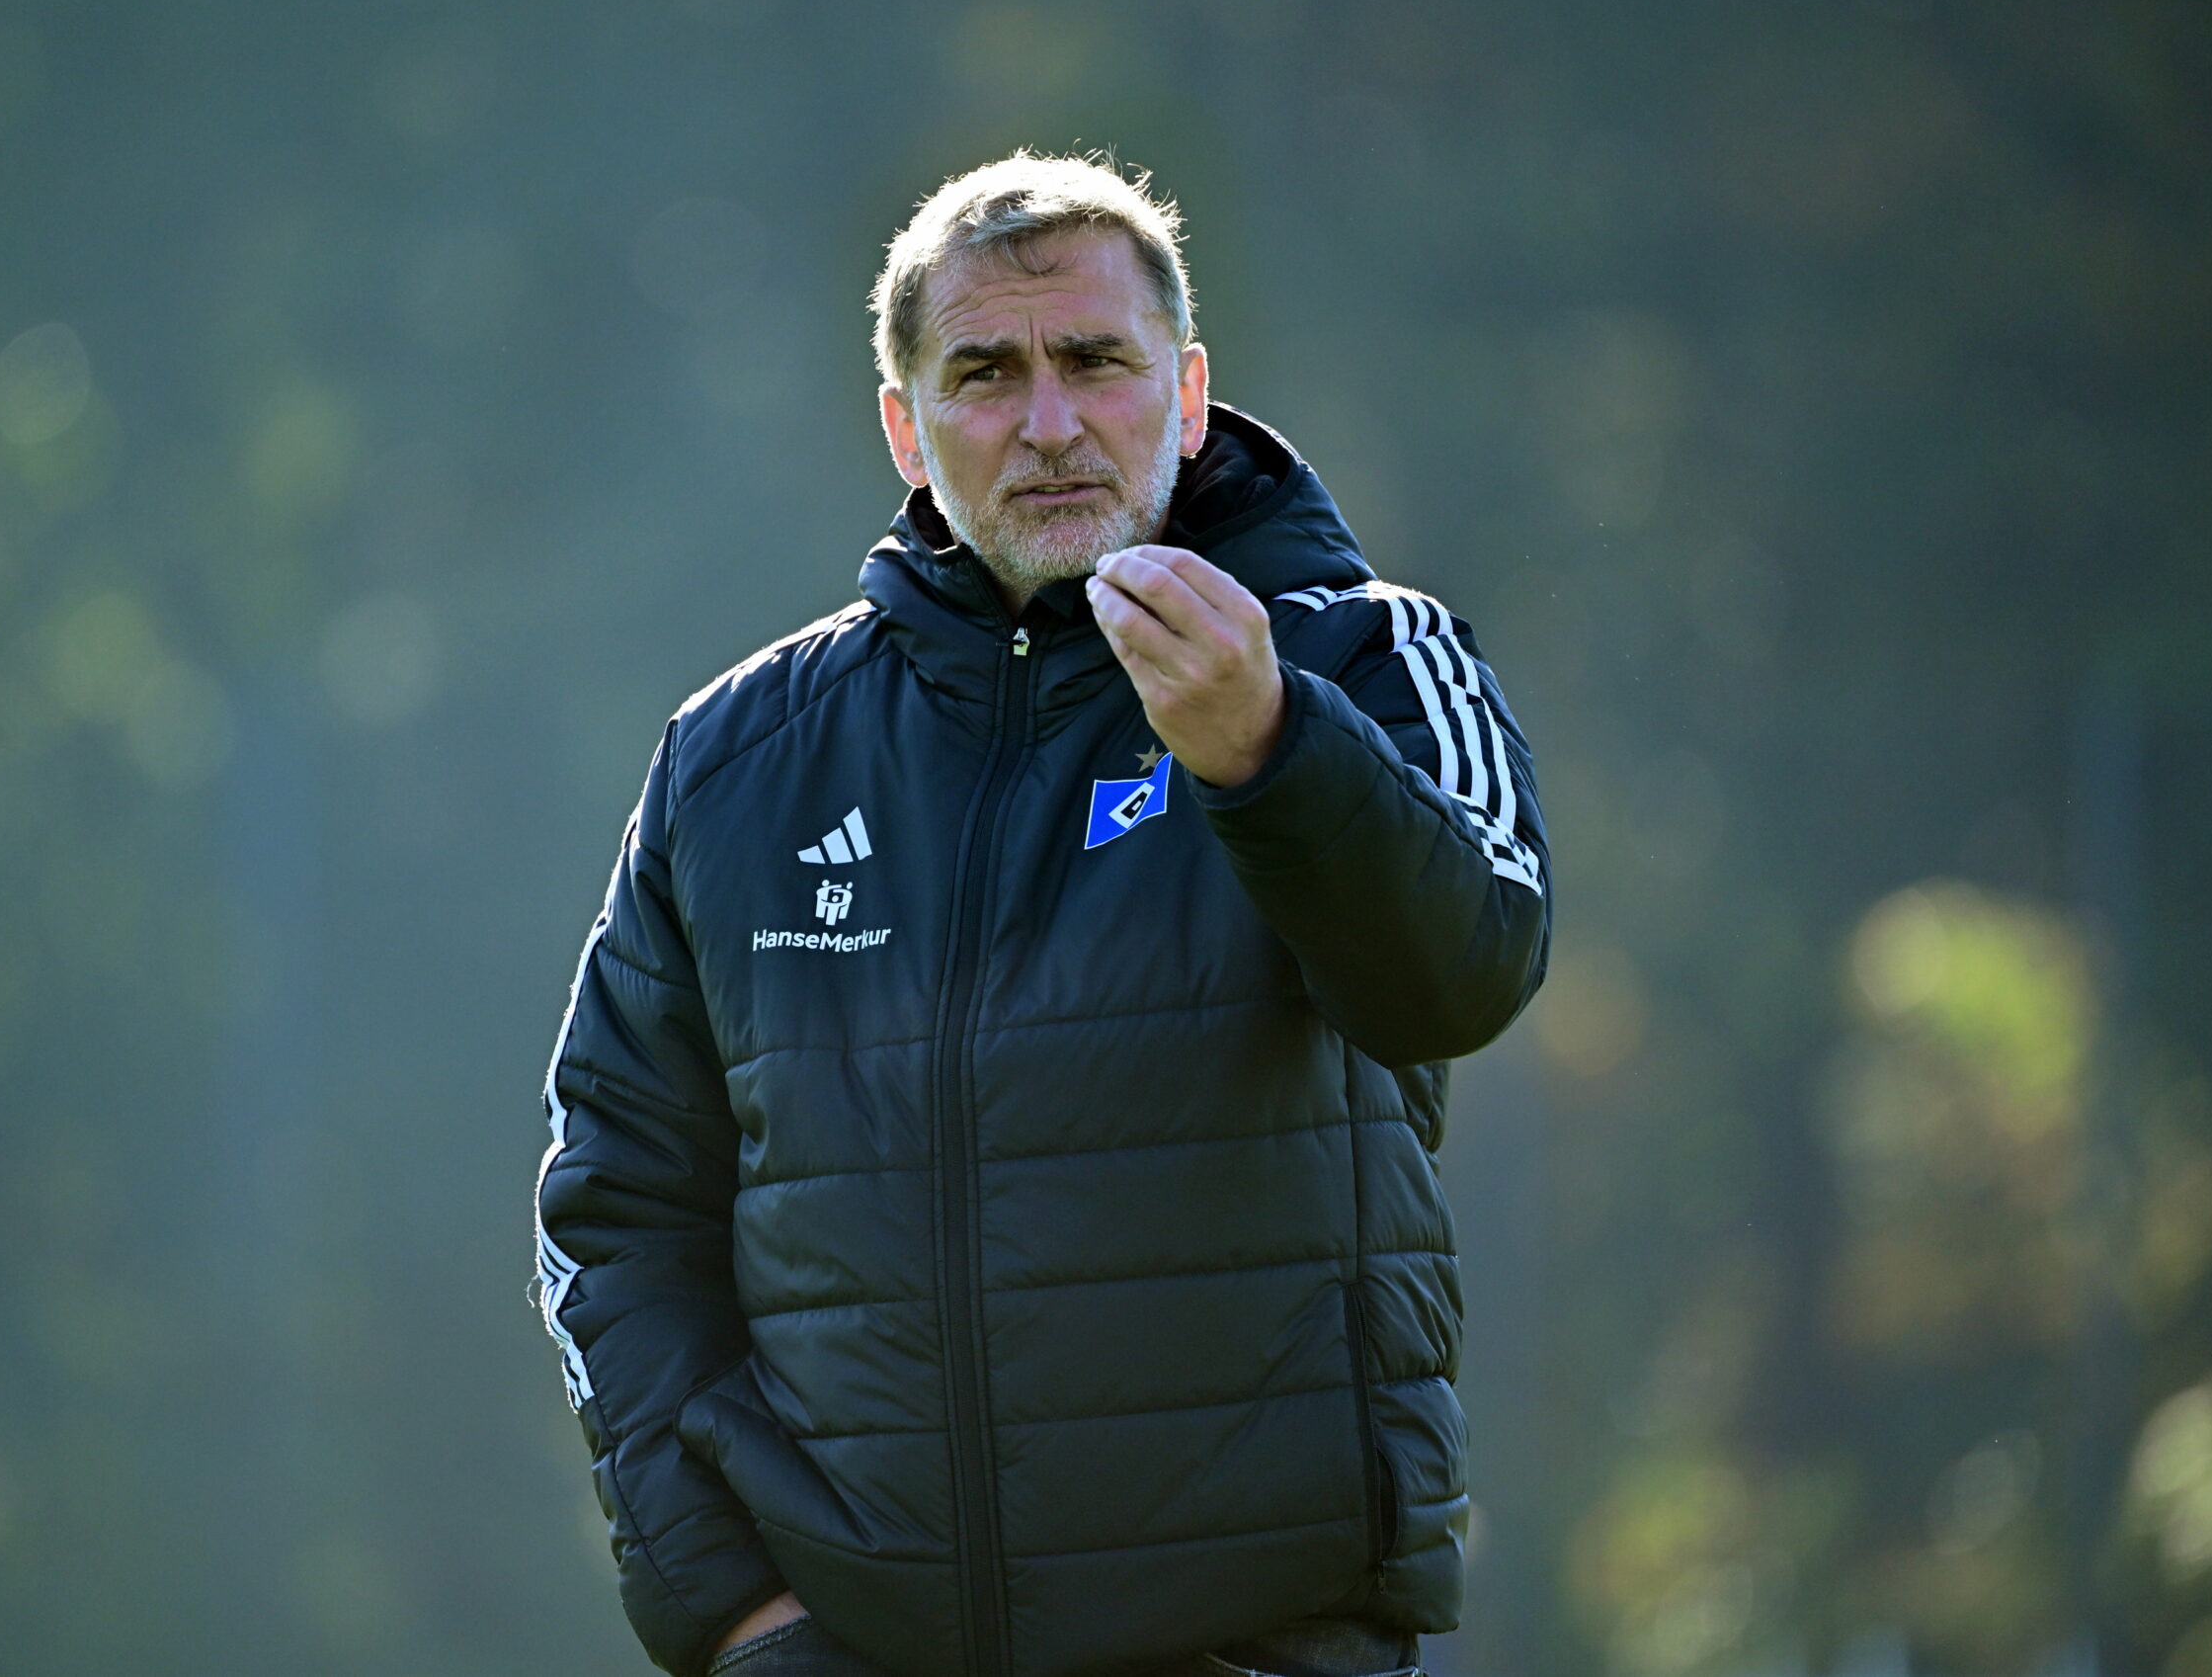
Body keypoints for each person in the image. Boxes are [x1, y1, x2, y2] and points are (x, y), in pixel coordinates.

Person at [533, 153, 1551, 1677]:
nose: (1050, 423)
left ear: (1188, 395)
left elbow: (1463, 977)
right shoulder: (737, 759)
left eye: (1094, 362)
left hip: (1264, 1647)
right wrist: (741, 1617)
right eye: (986, 373)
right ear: (908, 425)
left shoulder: (1364, 660)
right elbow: (612, 1217)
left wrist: (1271, 755)